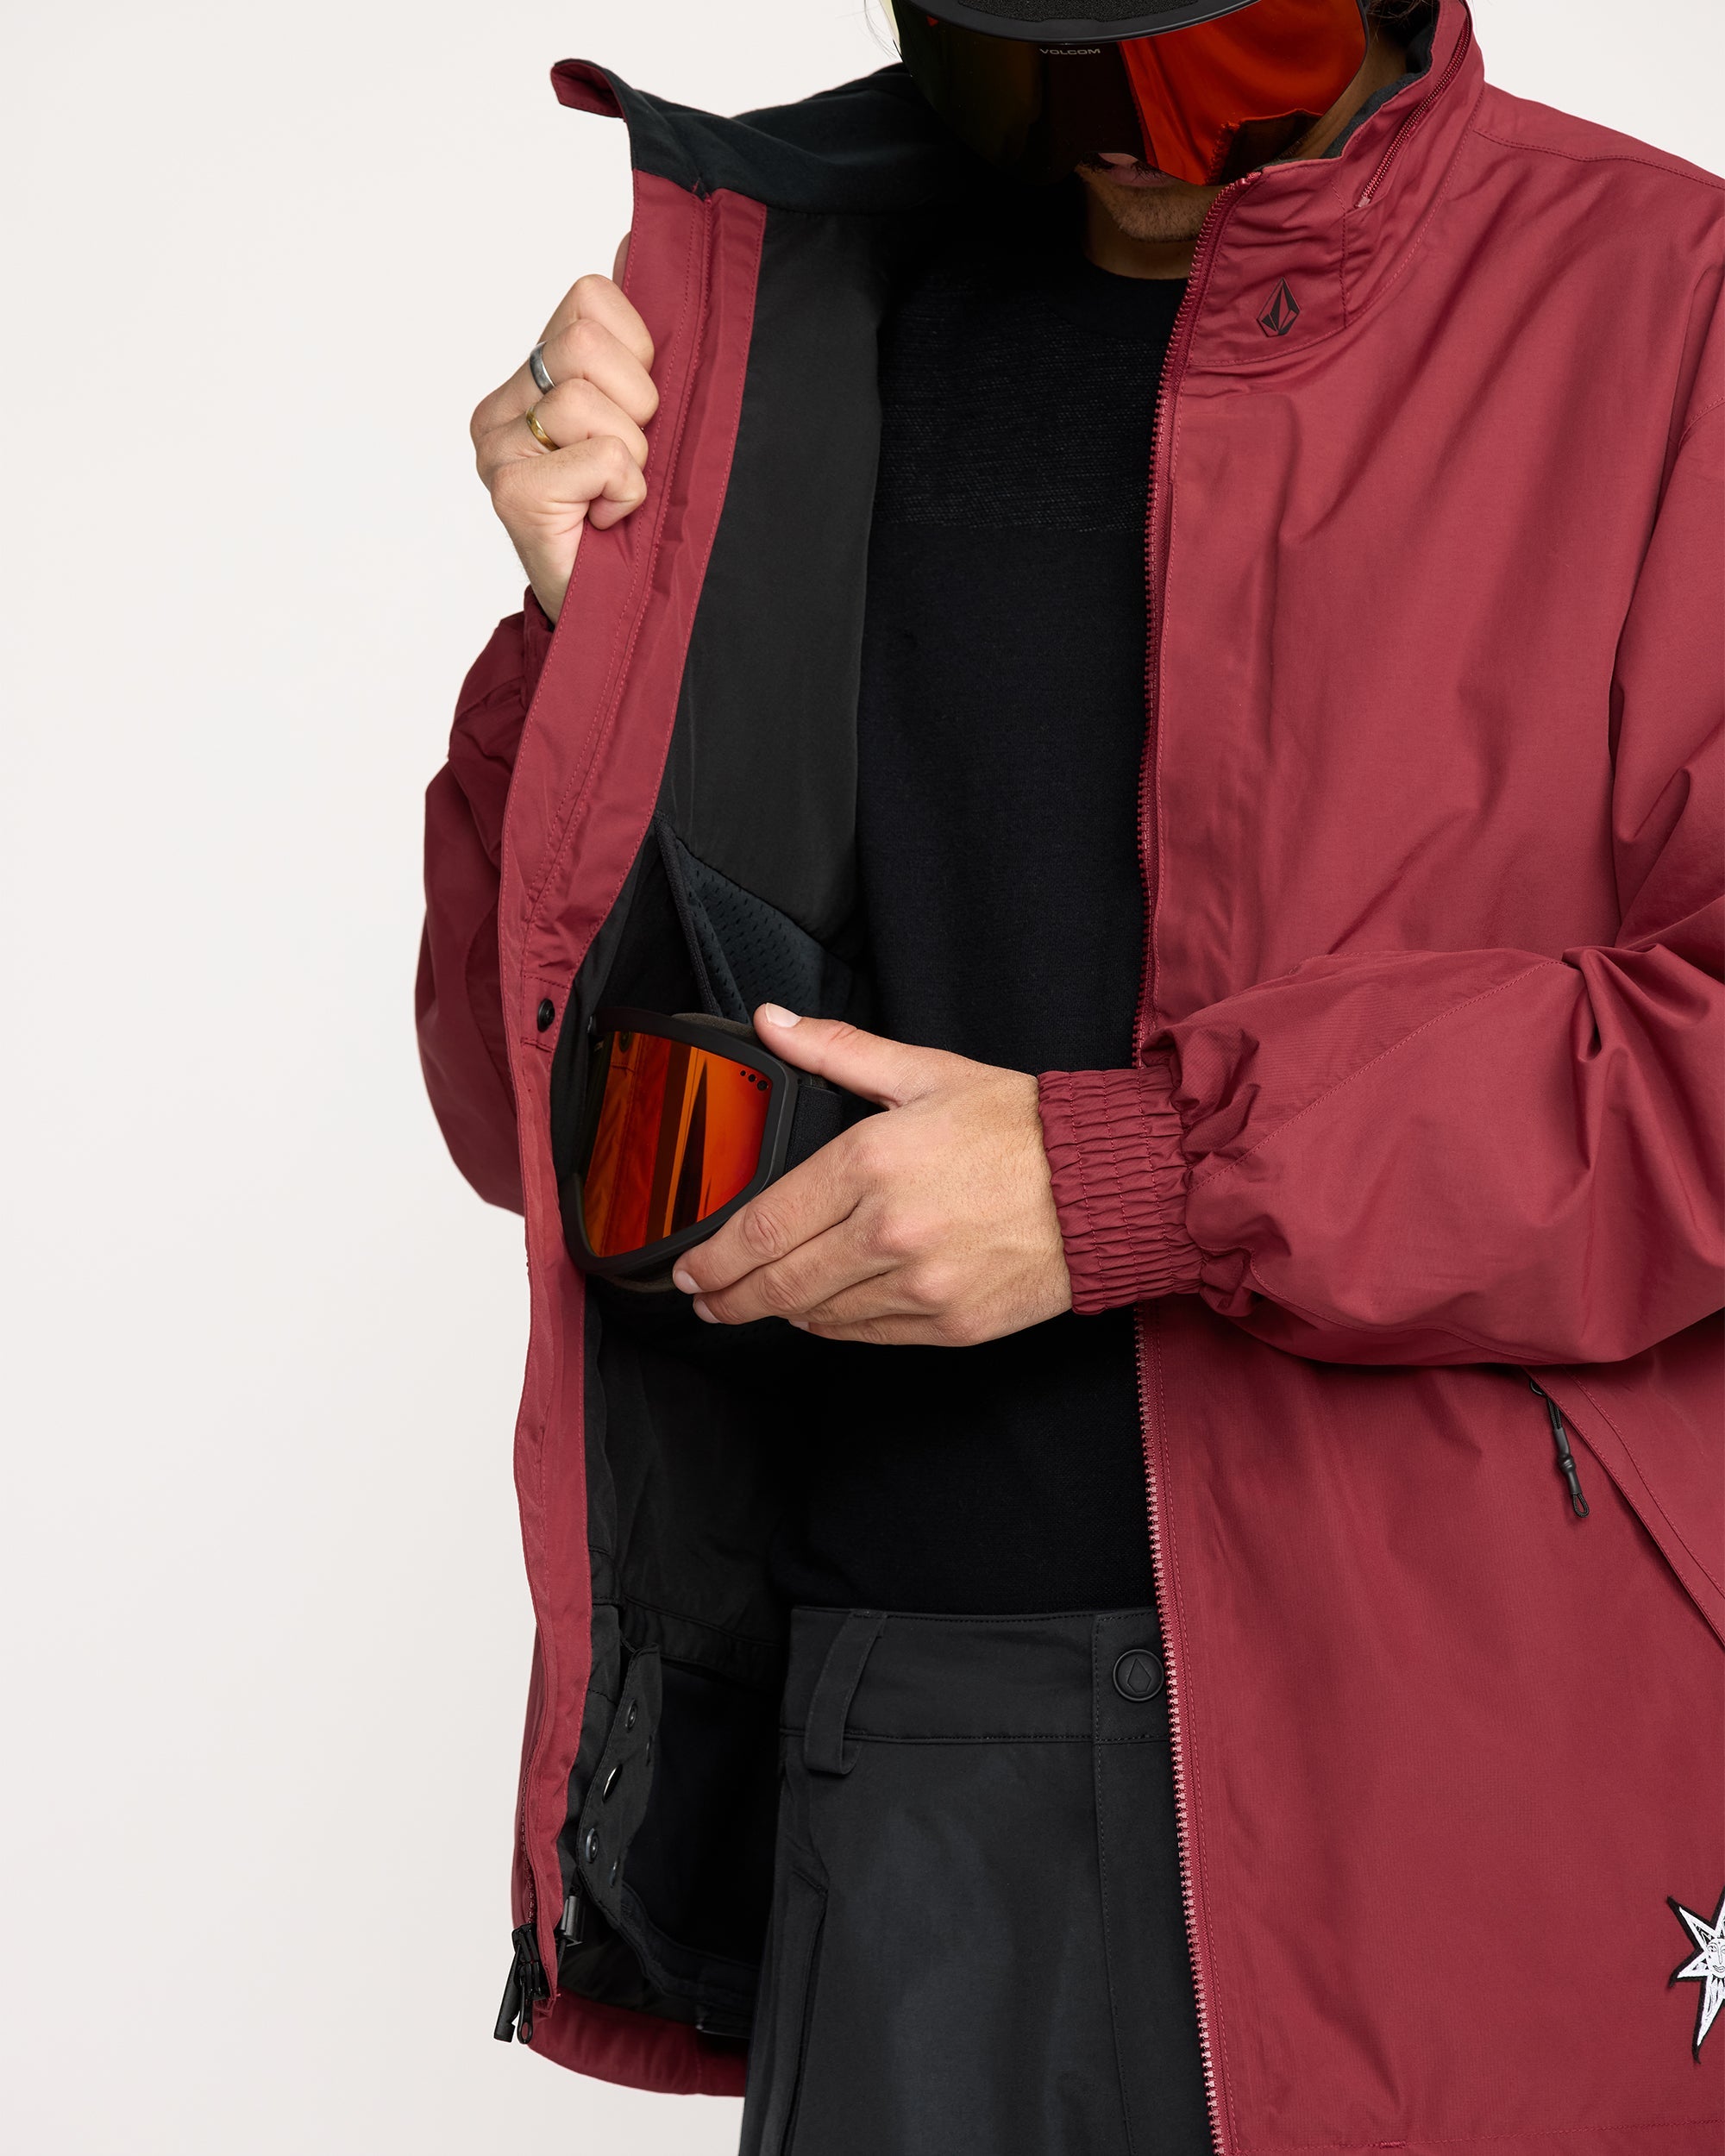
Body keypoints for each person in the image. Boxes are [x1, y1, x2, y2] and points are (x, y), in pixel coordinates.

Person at [419, 0, 1724, 2147]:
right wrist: (577, 650)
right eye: (1025, 55)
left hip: (1467, 1738)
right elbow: (531, 1129)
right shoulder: (799, 323)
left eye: (1210, 60)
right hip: (914, 1743)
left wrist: (1138, 1175)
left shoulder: (1662, 311)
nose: (1113, 130)